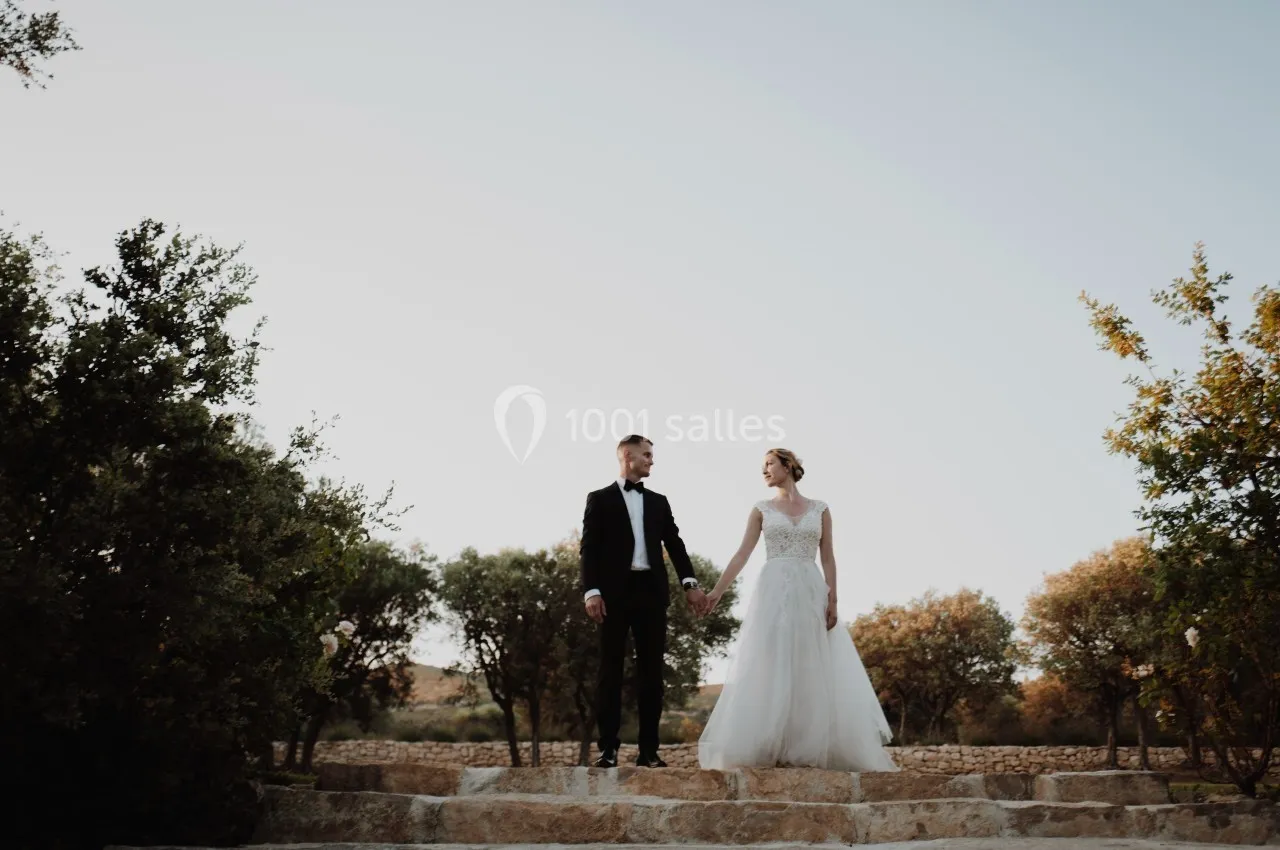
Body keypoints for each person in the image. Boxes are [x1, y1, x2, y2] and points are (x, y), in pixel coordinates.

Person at [697, 448, 898, 771]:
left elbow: (828, 556)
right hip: (773, 590)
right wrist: (717, 592)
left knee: (810, 663)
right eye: (762, 466)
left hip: (810, 589)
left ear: (788, 466)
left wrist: (833, 600)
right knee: (770, 660)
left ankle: (808, 744)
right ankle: (769, 743)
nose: (764, 470)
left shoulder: (820, 509)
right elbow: (742, 554)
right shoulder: (761, 509)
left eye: (769, 464)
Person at [580, 434, 707, 768]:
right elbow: (589, 548)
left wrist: (690, 584)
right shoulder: (599, 499)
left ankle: (649, 751)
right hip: (613, 596)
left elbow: (675, 544)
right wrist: (591, 591)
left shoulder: (659, 502)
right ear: (627, 455)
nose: (651, 460)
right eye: (646, 454)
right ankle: (608, 749)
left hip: (651, 593)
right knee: (610, 671)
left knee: (651, 674)